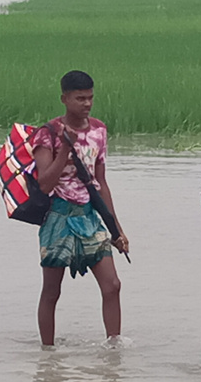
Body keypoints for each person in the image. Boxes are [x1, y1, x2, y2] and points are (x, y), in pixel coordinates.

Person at [31, 70, 129, 346]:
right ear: (64, 99)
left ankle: (114, 347)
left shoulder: (99, 130)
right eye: (80, 98)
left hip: (88, 215)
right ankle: (47, 353)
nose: (86, 104)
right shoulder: (47, 134)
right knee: (51, 291)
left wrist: (116, 229)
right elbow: (45, 184)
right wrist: (64, 150)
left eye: (90, 98)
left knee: (113, 285)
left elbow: (101, 183)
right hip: (57, 216)